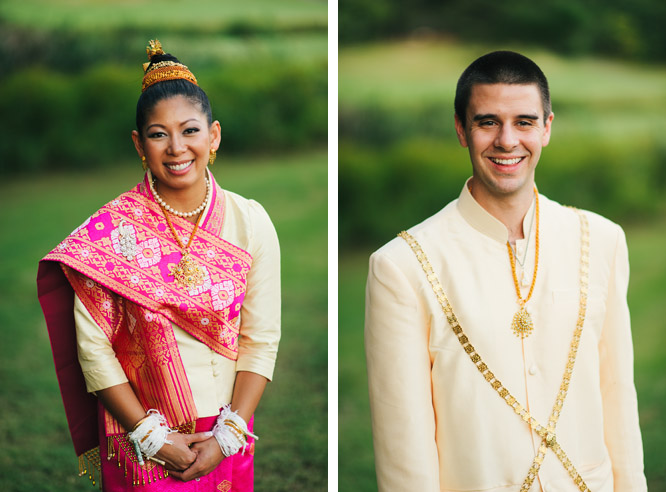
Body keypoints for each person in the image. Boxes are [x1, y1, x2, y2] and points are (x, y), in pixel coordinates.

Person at [364, 51, 647, 492]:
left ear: (547, 127)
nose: (507, 140)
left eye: (525, 122)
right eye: (488, 122)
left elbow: (618, 399)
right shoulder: (401, 266)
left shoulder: (602, 240)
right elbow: (405, 448)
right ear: (461, 129)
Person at [37, 40, 280, 491]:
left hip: (225, 428)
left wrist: (229, 433)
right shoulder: (110, 233)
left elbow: (260, 338)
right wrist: (151, 437)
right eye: (157, 134)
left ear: (215, 135)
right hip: (141, 430)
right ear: (138, 143)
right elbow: (93, 349)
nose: (176, 148)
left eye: (190, 131)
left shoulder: (251, 222)